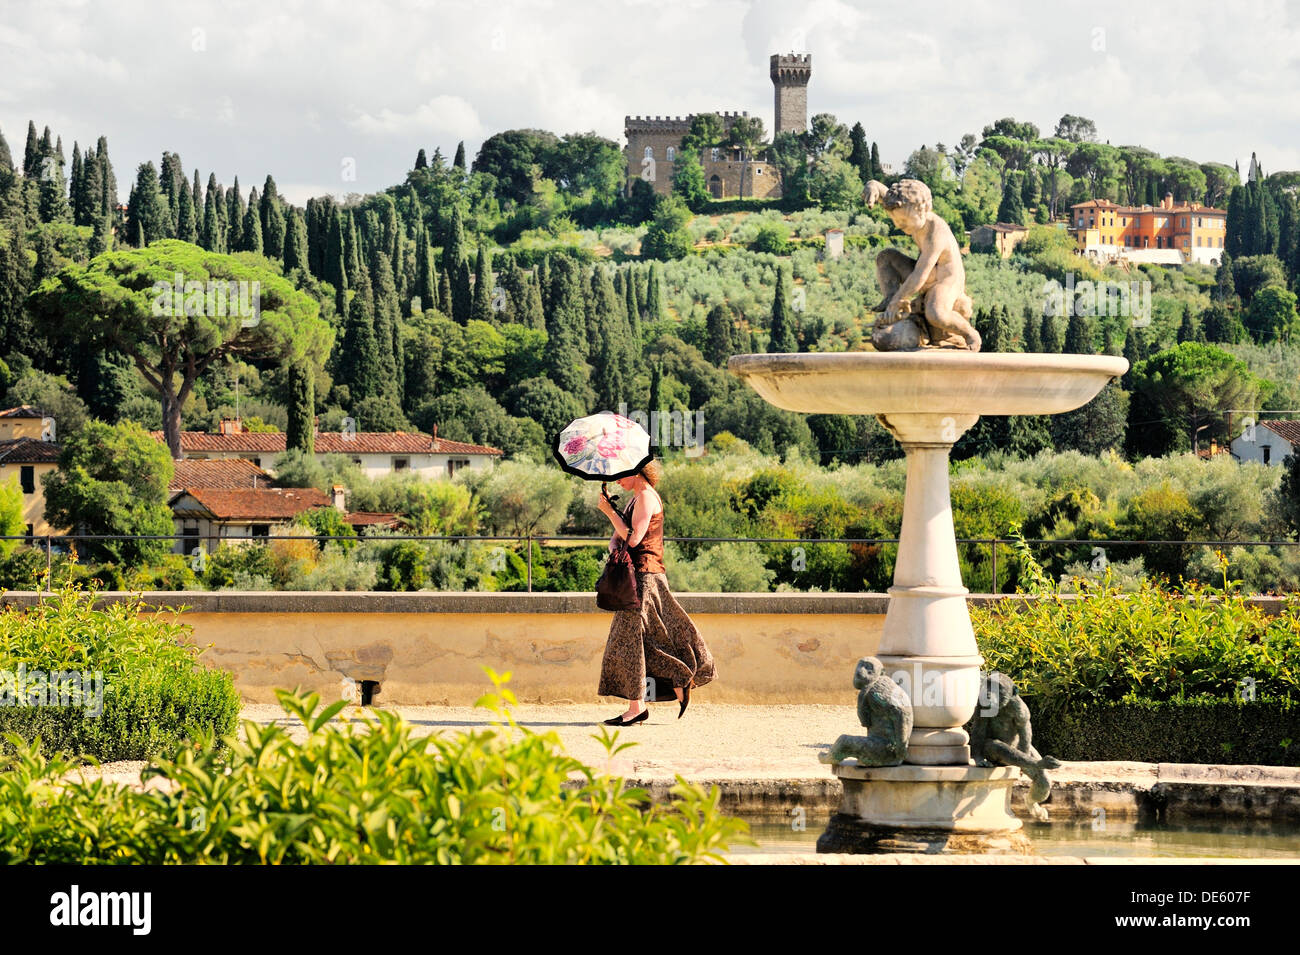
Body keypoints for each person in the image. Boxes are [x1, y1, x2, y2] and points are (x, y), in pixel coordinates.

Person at [595, 458, 715, 725]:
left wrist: (608, 512)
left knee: (629, 641)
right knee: (640, 641)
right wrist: (614, 539)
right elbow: (621, 537)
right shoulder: (635, 499)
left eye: (621, 475)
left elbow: (635, 538)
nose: (617, 481)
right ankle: (672, 683)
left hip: (644, 578)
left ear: (636, 471)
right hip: (638, 577)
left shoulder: (647, 498)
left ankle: (647, 701)